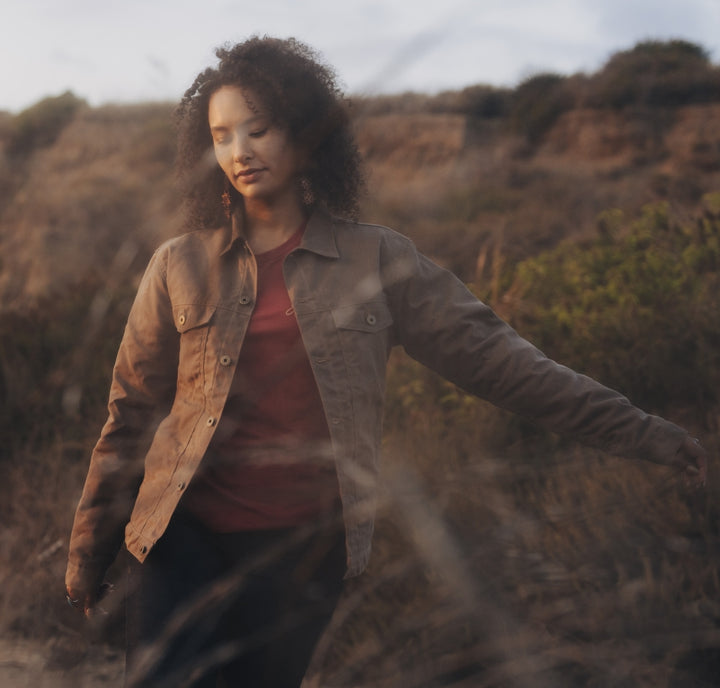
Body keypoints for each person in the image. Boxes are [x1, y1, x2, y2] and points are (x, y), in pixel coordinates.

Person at [65, 36, 707, 687]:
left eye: (259, 129)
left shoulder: (379, 260)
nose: (240, 151)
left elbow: (506, 363)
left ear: (306, 131)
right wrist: (90, 550)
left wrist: (645, 434)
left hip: (300, 552)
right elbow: (131, 414)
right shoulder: (179, 264)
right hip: (181, 541)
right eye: (222, 134)